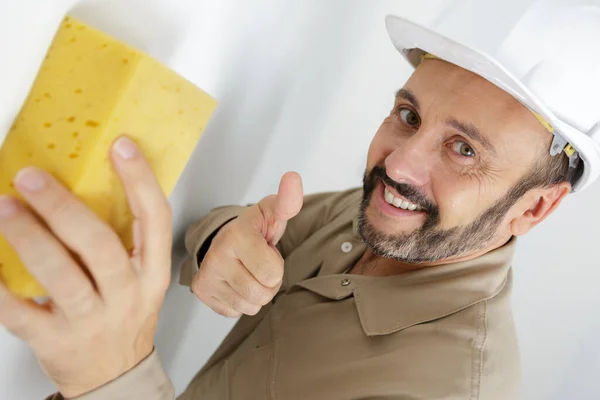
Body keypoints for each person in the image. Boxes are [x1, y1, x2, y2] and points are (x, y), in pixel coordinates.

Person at [1, 0, 599, 399]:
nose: (399, 163)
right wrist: (219, 241)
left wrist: (113, 375)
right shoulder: (380, 218)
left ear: (534, 208)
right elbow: (242, 234)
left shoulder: (441, 386)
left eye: (464, 150)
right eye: (409, 115)